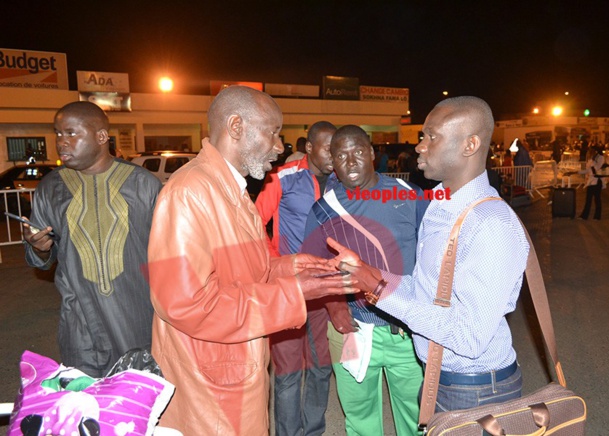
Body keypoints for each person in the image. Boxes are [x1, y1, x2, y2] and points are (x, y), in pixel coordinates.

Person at [146, 86, 354, 435]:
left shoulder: (233, 190)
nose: (279, 146)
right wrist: (291, 294)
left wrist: (291, 267)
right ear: (237, 126)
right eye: (272, 132)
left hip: (238, 368)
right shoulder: (188, 193)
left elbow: (246, 271)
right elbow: (184, 304)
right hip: (209, 388)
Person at [329, 96, 529, 413]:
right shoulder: (442, 205)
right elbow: (426, 292)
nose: (420, 146)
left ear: (470, 145)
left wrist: (380, 290)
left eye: (431, 136)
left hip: (477, 390)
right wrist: (372, 275)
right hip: (444, 378)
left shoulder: (490, 224)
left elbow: (469, 337)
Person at [302, 125, 427, 435]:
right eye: (341, 155)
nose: (351, 161)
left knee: (416, 419)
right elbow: (312, 269)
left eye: (358, 152)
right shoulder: (323, 210)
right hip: (353, 332)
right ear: (332, 161)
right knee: (359, 419)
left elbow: (433, 258)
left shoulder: (408, 195)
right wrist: (333, 306)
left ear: (372, 154)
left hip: (406, 333)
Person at [22, 101, 162, 378]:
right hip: (80, 326)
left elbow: (168, 254)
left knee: (135, 409)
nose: (62, 142)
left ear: (101, 137)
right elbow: (40, 259)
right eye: (58, 134)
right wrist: (38, 248)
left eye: (71, 133)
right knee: (86, 409)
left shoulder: (144, 184)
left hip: (136, 321)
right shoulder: (51, 187)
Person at [255, 121, 337, 436]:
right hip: (288, 291)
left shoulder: (341, 183)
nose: (334, 155)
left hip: (326, 293)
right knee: (288, 372)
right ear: (310, 147)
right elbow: (254, 223)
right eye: (328, 147)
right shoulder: (282, 178)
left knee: (319, 369)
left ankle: (313, 430)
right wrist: (277, 265)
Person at [579, 145, 607, 220]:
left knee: (597, 199)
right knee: (588, 199)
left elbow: (595, 169)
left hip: (597, 181)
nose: (589, 152)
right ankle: (584, 216)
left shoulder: (600, 158)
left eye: (591, 151)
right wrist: (577, 172)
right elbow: (588, 170)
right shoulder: (592, 159)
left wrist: (592, 163)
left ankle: (597, 216)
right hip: (591, 181)